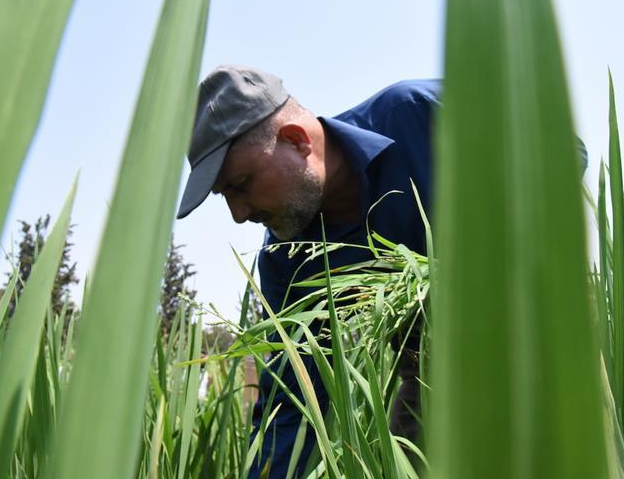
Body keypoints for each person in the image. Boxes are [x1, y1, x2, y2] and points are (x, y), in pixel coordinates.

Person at [177, 65, 587, 477]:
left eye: (241, 184)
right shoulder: (288, 263)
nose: (238, 213)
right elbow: (292, 407)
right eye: (224, 197)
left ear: (295, 140)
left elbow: (565, 149)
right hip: (430, 380)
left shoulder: (419, 116)